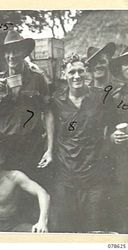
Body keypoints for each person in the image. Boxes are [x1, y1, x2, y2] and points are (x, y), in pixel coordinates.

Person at [50, 54, 118, 233]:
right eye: (71, 72)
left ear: (87, 72)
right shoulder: (56, 100)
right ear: (64, 74)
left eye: (81, 71)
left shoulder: (101, 97)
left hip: (94, 174)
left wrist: (113, 136)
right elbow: (47, 120)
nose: (77, 76)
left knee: (94, 228)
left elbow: (111, 126)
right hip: (65, 173)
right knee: (64, 227)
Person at [0, 30, 54, 176]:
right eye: (8, 52)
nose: (12, 56)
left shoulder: (37, 79)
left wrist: (49, 149)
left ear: (24, 53)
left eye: (16, 51)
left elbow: (47, 112)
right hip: (3, 147)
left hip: (30, 147)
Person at [0, 137, 50, 232]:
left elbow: (42, 193)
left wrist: (42, 222)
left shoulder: (14, 177)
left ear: (2, 160)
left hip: (14, 226)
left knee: (39, 234)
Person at [109, 47, 128, 233]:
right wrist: (112, 137)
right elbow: (107, 126)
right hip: (123, 159)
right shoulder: (117, 96)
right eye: (126, 63)